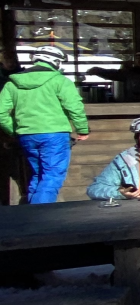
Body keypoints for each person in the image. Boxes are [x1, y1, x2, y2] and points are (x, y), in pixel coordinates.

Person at [0, 44, 90, 203]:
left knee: (38, 174)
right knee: (52, 176)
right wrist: (82, 129)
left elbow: (1, 113)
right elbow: (75, 108)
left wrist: (14, 130)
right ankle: (39, 218)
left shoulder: (12, 83)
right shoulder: (60, 81)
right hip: (55, 134)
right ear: (56, 62)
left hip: (26, 135)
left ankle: (31, 213)